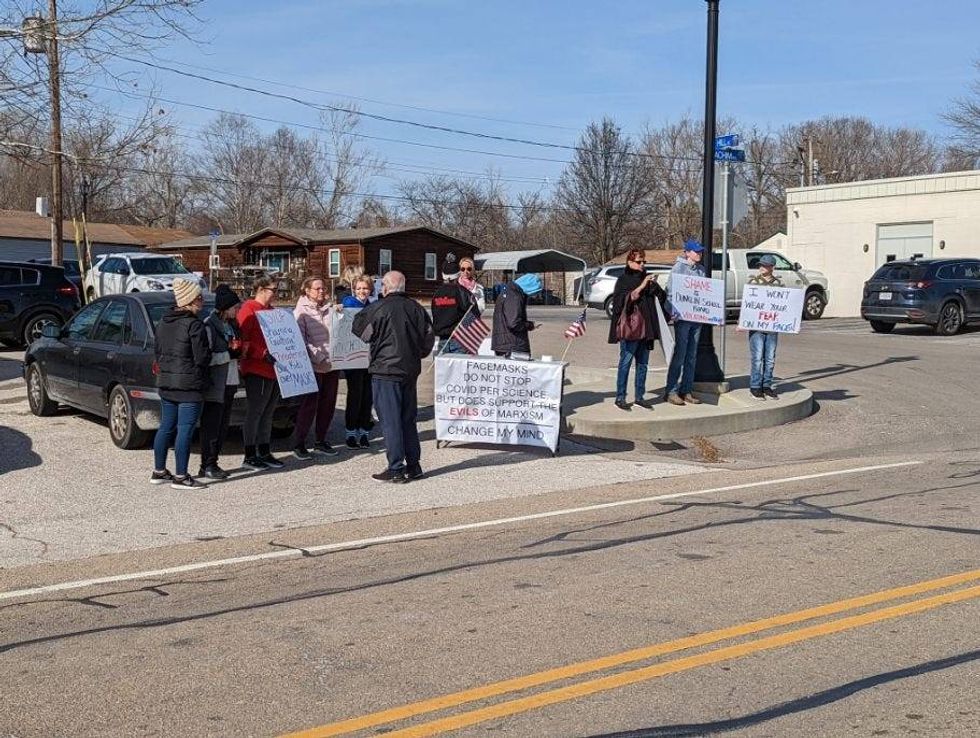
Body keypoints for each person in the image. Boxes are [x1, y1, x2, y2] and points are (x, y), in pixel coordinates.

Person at [352, 271, 435, 483]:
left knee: (390, 421)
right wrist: (416, 354)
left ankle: (396, 467)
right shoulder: (417, 309)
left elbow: (360, 331)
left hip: (386, 371)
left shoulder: (377, 308)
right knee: (408, 419)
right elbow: (428, 339)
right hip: (409, 370)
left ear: (385, 288)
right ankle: (414, 465)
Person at [151, 277, 211, 490]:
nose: (202, 301)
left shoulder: (163, 322)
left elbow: (157, 351)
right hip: (189, 385)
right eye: (199, 298)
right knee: (184, 429)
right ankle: (181, 476)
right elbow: (202, 357)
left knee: (166, 426)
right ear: (191, 301)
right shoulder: (195, 325)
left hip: (166, 383)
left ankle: (158, 470)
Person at [608, 249, 668, 411]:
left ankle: (639, 397)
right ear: (630, 262)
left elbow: (662, 298)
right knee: (625, 362)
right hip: (631, 329)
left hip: (646, 329)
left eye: (644, 262)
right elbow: (622, 302)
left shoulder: (646, 279)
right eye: (638, 261)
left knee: (643, 364)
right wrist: (642, 286)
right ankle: (620, 397)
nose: (642, 264)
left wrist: (655, 287)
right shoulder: (623, 280)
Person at [237, 275, 284, 470]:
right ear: (262, 289)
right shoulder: (248, 309)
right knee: (255, 412)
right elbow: (241, 340)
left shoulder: (272, 312)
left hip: (274, 369)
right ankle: (249, 454)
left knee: (268, 411)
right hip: (257, 368)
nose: (276, 294)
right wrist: (260, 353)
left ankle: (264, 450)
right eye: (273, 290)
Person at [292, 276, 341, 459]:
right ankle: (299, 442)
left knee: (328, 405)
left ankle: (321, 440)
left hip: (332, 364)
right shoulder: (300, 312)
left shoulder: (330, 308)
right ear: (307, 291)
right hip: (314, 365)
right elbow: (302, 340)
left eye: (323, 288)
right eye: (317, 289)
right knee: (308, 406)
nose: (321, 291)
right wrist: (319, 356)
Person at [198, 284, 242, 479]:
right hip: (216, 383)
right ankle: (206, 463)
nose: (237, 311)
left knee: (224, 425)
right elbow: (206, 357)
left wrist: (239, 352)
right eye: (234, 308)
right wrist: (227, 354)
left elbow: (236, 346)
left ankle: (214, 461)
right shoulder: (209, 325)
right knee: (211, 425)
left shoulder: (233, 325)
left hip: (231, 380)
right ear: (225, 308)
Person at [665, 240, 707, 406]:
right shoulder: (678, 268)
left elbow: (705, 293)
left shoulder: (701, 270)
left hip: (697, 318)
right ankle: (672, 390)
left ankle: (686, 390)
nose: (699, 254)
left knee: (692, 356)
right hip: (682, 319)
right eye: (696, 251)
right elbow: (670, 293)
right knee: (680, 354)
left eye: (700, 251)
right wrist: (672, 311)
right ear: (687, 252)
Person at [341, 275, 374, 449]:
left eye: (365, 288)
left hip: (369, 358)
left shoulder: (373, 306)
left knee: (368, 397)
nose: (362, 291)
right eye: (359, 288)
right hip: (353, 358)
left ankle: (364, 432)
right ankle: (350, 432)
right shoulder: (348, 304)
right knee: (355, 395)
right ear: (354, 289)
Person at [747, 254, 784, 400]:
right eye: (760, 265)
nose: (761, 267)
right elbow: (748, 305)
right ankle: (755, 386)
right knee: (757, 358)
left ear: (772, 267)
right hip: (756, 328)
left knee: (770, 358)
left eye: (765, 265)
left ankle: (767, 385)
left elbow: (783, 307)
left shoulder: (779, 285)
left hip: (772, 327)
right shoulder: (753, 282)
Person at [431, 254, 479, 355]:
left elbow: (435, 315)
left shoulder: (436, 294)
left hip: (442, 340)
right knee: (459, 371)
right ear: (457, 274)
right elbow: (474, 316)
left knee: (444, 371)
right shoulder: (463, 293)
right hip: (460, 340)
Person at [491, 273, 541, 359]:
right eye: (534, 293)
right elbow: (513, 323)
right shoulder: (514, 296)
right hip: (513, 346)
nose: (533, 296)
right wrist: (530, 325)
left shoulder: (509, 292)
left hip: (506, 344)